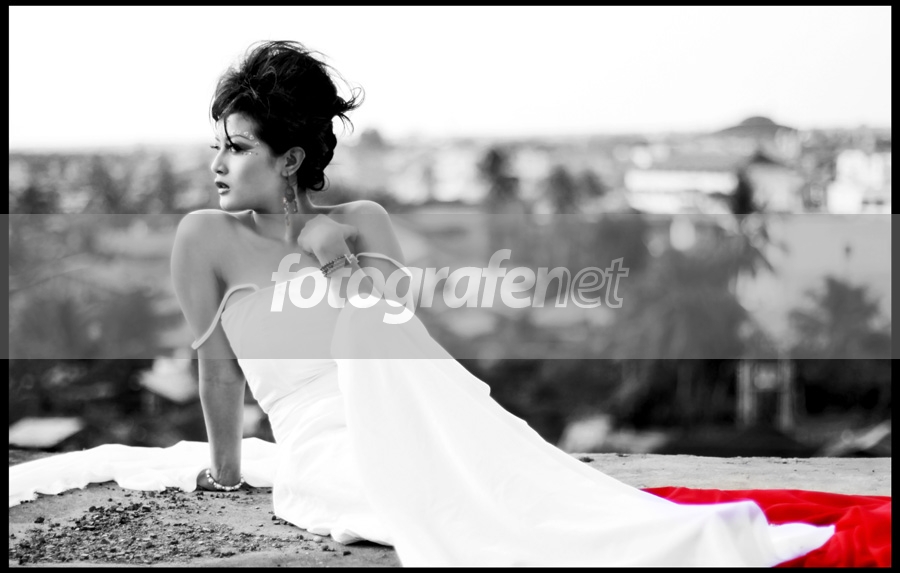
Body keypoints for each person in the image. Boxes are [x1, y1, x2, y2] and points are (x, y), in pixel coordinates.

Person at [8, 41, 864, 567]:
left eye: (237, 147)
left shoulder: (366, 222)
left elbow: (398, 343)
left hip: (419, 410)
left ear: (292, 157)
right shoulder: (204, 238)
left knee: (512, 480)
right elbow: (216, 370)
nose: (217, 164)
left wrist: (332, 256)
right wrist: (227, 472)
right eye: (216, 145)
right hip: (320, 444)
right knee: (431, 507)